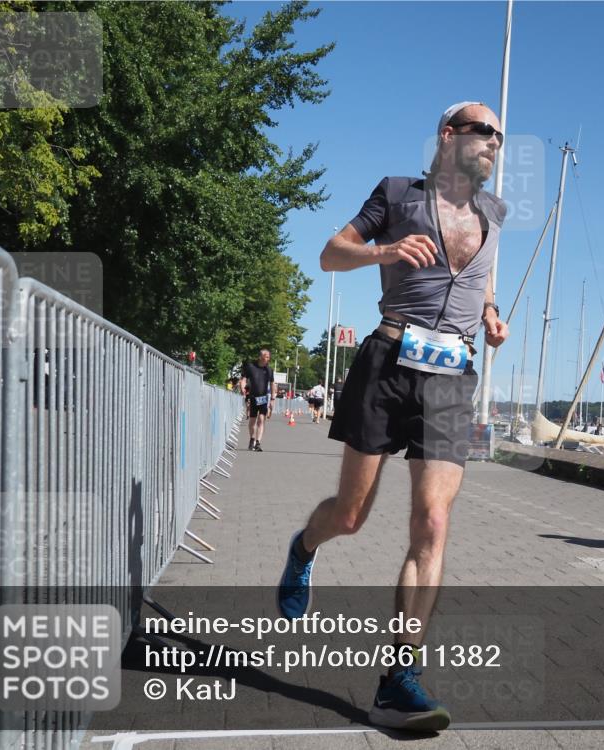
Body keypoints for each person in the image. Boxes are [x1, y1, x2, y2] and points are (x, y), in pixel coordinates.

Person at [277, 101, 509, 731]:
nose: (495, 142)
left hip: (452, 378)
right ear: (448, 135)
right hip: (389, 357)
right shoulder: (397, 191)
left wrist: (490, 315)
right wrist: (383, 254)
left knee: (431, 522)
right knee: (350, 515)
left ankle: (398, 678)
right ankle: (304, 548)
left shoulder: (494, 213)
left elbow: (483, 277)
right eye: (484, 131)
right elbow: (330, 253)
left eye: (500, 136)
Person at [240, 349, 275, 451]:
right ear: (260, 357)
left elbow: (272, 384)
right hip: (253, 397)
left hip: (264, 398)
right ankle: (252, 438)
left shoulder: (269, 370)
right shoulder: (251, 367)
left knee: (261, 419)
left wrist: (273, 398)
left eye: (269, 357)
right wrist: (242, 387)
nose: (268, 359)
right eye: (266, 356)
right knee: (252, 421)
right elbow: (244, 379)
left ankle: (258, 443)